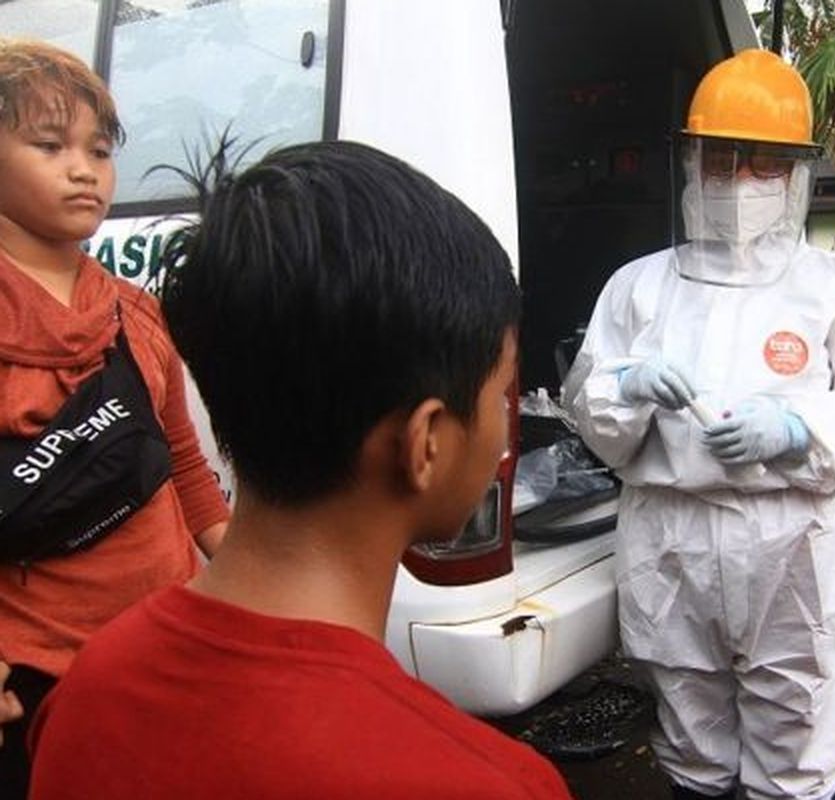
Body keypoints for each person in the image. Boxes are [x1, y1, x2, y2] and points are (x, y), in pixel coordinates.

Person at [27, 139, 573, 800]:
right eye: (500, 396)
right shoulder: (483, 782)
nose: (503, 435)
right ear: (425, 442)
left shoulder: (87, 692)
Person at [564, 49, 835, 800]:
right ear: (691, 163)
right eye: (720, 160)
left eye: (762, 164)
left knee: (797, 739)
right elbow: (590, 408)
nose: (738, 182)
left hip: (791, 542)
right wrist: (628, 386)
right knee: (689, 730)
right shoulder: (639, 285)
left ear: (795, 175)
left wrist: (796, 428)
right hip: (669, 538)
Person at [0, 38, 228, 798]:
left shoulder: (136, 314)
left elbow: (184, 467)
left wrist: (254, 576)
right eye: (48, 145)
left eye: (99, 151)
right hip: (32, 683)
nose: (83, 169)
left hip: (161, 652)